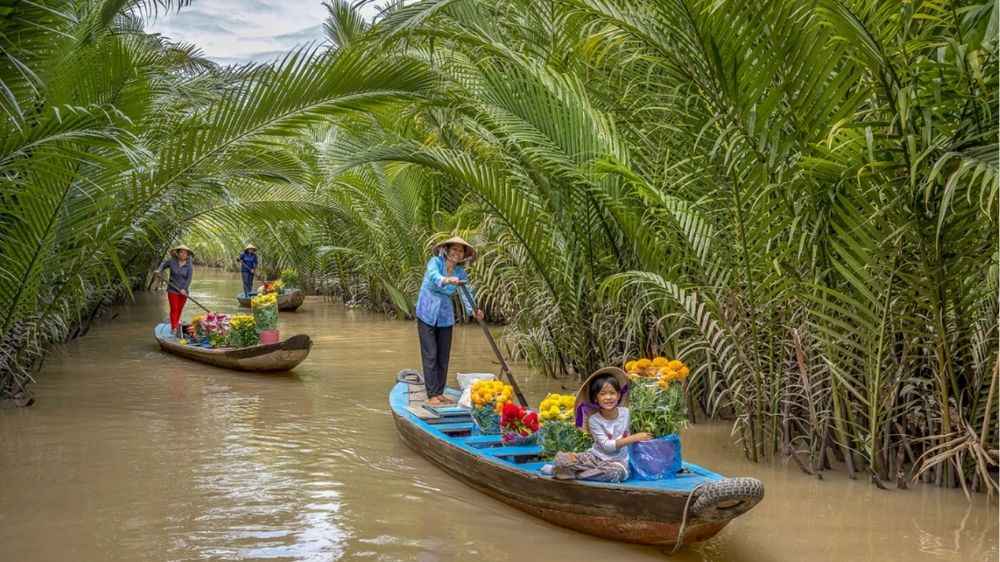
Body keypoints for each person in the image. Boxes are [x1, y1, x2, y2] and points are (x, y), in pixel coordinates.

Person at [415, 236, 485, 406]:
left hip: (445, 315)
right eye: (454, 249)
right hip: (427, 312)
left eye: (460, 251)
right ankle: (431, 394)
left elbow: (466, 293)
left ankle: (439, 392)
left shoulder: (460, 273)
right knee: (430, 354)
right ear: (446, 250)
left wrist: (474, 310)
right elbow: (433, 276)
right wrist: (446, 279)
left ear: (463, 255)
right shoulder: (435, 262)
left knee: (443, 356)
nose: (456, 253)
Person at [550, 367, 651, 482]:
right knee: (561, 459)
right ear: (596, 399)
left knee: (615, 473)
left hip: (617, 462)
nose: (608, 397)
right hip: (595, 458)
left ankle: (576, 473)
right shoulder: (594, 420)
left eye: (612, 393)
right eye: (603, 394)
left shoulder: (627, 413)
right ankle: (571, 470)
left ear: (618, 395)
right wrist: (634, 438)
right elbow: (607, 446)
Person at [155, 244, 195, 337]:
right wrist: (158, 270)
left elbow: (189, 279)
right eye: (181, 252)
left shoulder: (189, 266)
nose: (183, 254)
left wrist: (184, 289)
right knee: (174, 309)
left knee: (179, 309)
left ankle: (176, 323)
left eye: (185, 253)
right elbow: (163, 265)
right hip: (172, 289)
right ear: (178, 253)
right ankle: (174, 328)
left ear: (187, 255)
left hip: (184, 292)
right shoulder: (172, 261)